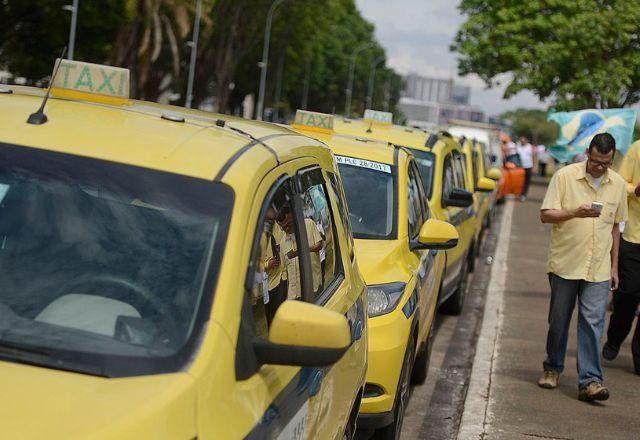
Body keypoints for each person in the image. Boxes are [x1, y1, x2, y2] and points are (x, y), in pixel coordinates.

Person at [538, 133, 627, 402]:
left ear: (612, 159)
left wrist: (614, 267)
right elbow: (545, 215)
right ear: (588, 153)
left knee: (593, 323)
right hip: (565, 263)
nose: (600, 167)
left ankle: (590, 381)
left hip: (598, 267)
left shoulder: (618, 184)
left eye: (606, 163)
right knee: (559, 321)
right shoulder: (565, 176)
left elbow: (615, 228)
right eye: (597, 161)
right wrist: (574, 212)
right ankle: (552, 368)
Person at [602, 139, 640, 375]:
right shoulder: (638, 148)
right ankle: (615, 337)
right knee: (627, 295)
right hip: (635, 237)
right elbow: (619, 182)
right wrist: (635, 190)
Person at [276, 205, 324, 300]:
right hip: (295, 294)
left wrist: (299, 252)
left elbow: (319, 245)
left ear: (294, 217)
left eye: (289, 224)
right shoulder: (282, 243)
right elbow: (284, 271)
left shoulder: (309, 225)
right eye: (283, 227)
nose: (287, 229)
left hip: (312, 287)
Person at [517, 136, 535, 201]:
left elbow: (533, 156)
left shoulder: (530, 147)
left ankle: (523, 194)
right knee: (520, 181)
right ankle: (519, 193)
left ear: (526, 141)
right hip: (520, 167)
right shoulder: (518, 146)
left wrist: (533, 166)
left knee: (526, 181)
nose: (522, 142)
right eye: (521, 141)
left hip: (528, 166)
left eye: (523, 141)